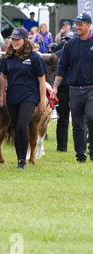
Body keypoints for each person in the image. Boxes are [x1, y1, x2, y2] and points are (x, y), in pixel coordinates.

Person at [0, 28, 47, 169]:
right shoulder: (8, 58)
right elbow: (3, 77)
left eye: (18, 39)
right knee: (16, 128)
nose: (15, 42)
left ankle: (22, 162)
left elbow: (42, 79)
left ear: (25, 40)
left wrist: (42, 100)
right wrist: (2, 95)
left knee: (21, 125)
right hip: (13, 97)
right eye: (13, 39)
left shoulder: (34, 57)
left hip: (29, 97)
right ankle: (20, 159)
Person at [51, 13, 93, 163]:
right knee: (76, 124)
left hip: (91, 89)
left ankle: (92, 148)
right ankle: (80, 155)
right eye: (76, 24)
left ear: (88, 25)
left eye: (80, 24)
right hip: (74, 89)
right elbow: (62, 68)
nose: (77, 27)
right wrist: (55, 87)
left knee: (91, 117)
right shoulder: (70, 45)